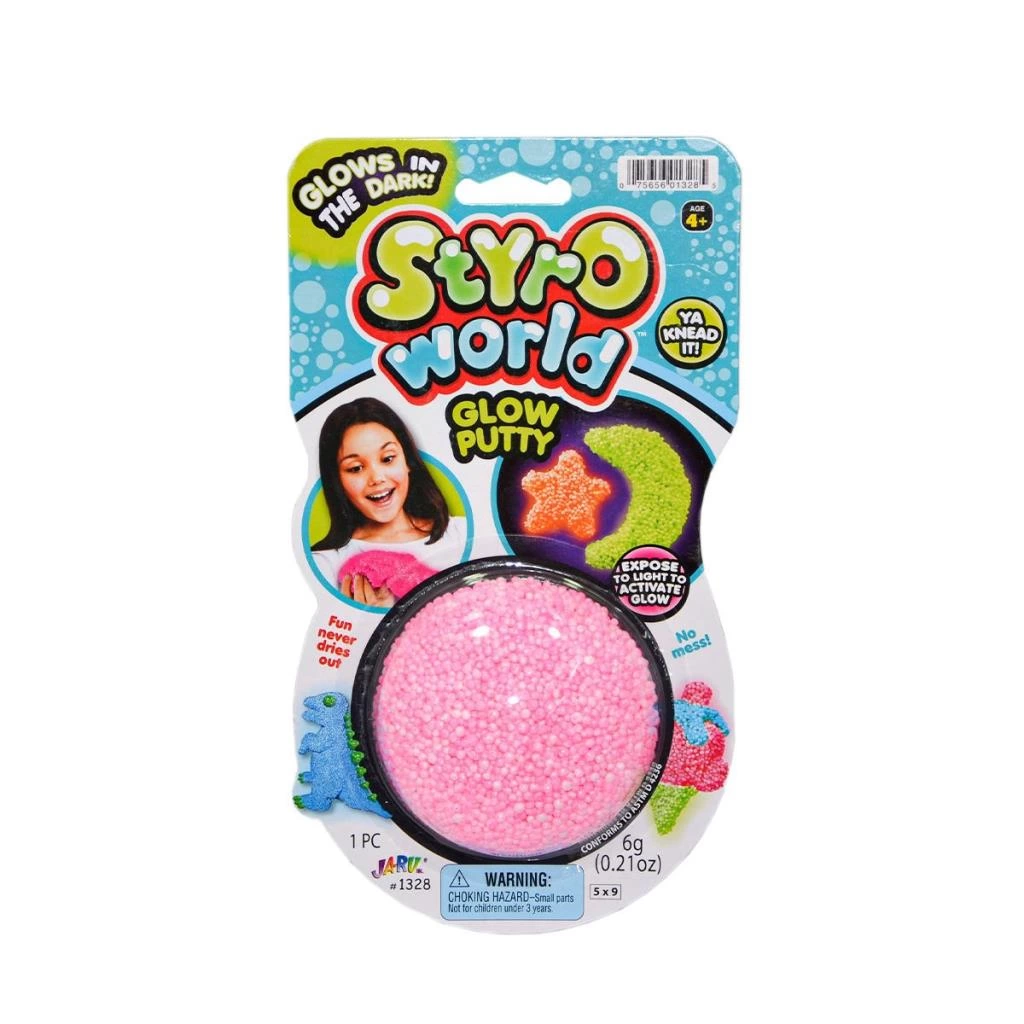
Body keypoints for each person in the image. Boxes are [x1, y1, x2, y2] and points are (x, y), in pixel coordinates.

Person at [311, 398, 467, 607]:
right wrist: (367, 617)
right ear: (337, 480)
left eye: (387, 459)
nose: (377, 478)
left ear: (408, 461)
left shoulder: (461, 532)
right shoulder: (325, 564)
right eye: (356, 468)